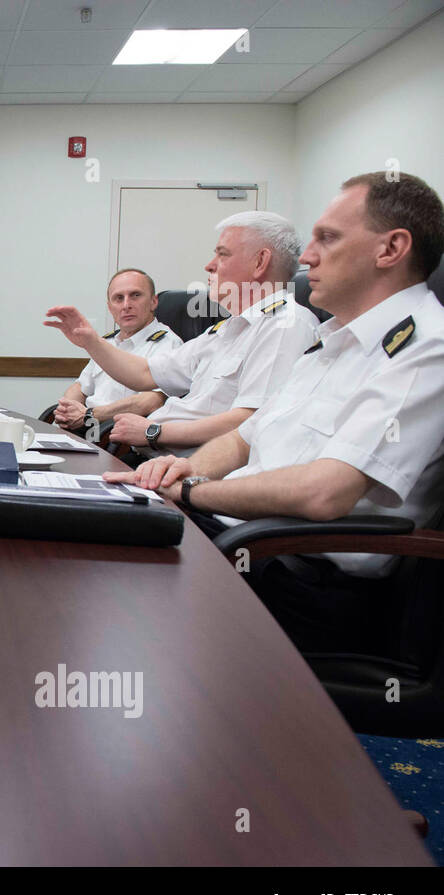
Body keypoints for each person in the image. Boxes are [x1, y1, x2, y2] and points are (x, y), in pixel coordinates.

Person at [104, 172, 444, 655]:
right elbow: (249, 433)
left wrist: (193, 491)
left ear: (390, 249)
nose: (306, 257)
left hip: (297, 572)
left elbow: (325, 493)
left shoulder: (423, 347)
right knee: (95, 523)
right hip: (243, 536)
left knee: (103, 580)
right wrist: (181, 468)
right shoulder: (335, 340)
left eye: (327, 238)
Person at [45, 212, 319, 457]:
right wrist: (90, 341)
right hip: (150, 454)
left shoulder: (285, 325)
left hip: (185, 466)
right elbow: (144, 374)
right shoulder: (223, 331)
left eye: (222, 254)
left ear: (260, 261)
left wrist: (154, 431)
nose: (209, 265)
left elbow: (250, 420)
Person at [51, 268, 179, 434]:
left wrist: (89, 415)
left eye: (135, 295)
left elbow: (151, 401)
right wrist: (67, 410)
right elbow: (80, 387)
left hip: (118, 437)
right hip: (88, 430)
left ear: (153, 302)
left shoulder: (167, 344)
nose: (126, 305)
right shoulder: (107, 342)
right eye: (119, 298)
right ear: (110, 308)